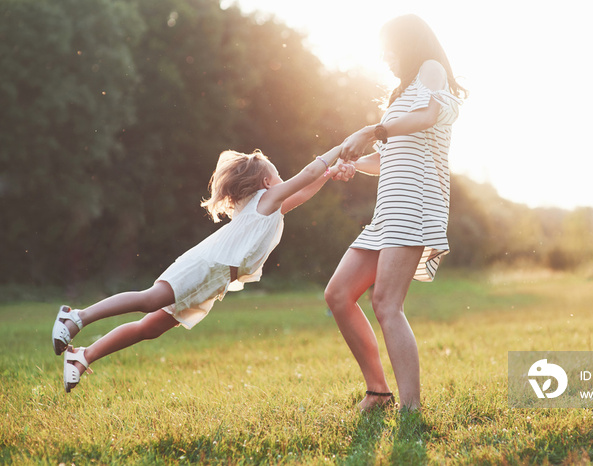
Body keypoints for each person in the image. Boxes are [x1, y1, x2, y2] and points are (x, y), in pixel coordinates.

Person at [52, 146, 351, 392]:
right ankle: (76, 316)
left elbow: (306, 190)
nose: (285, 181)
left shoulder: (271, 206)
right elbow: (307, 175)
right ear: (267, 184)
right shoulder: (266, 199)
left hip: (212, 281)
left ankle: (82, 356)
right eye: (279, 176)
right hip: (204, 266)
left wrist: (330, 173)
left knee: (150, 327)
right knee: (150, 299)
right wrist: (343, 147)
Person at [325, 14, 467, 411]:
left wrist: (370, 130)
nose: (386, 57)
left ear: (408, 44)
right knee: (338, 294)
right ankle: (378, 392)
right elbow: (387, 156)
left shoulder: (432, 71)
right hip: (387, 209)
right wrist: (355, 165)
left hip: (416, 204)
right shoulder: (398, 97)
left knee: (387, 303)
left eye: (390, 48)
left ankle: (411, 407)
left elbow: (426, 118)